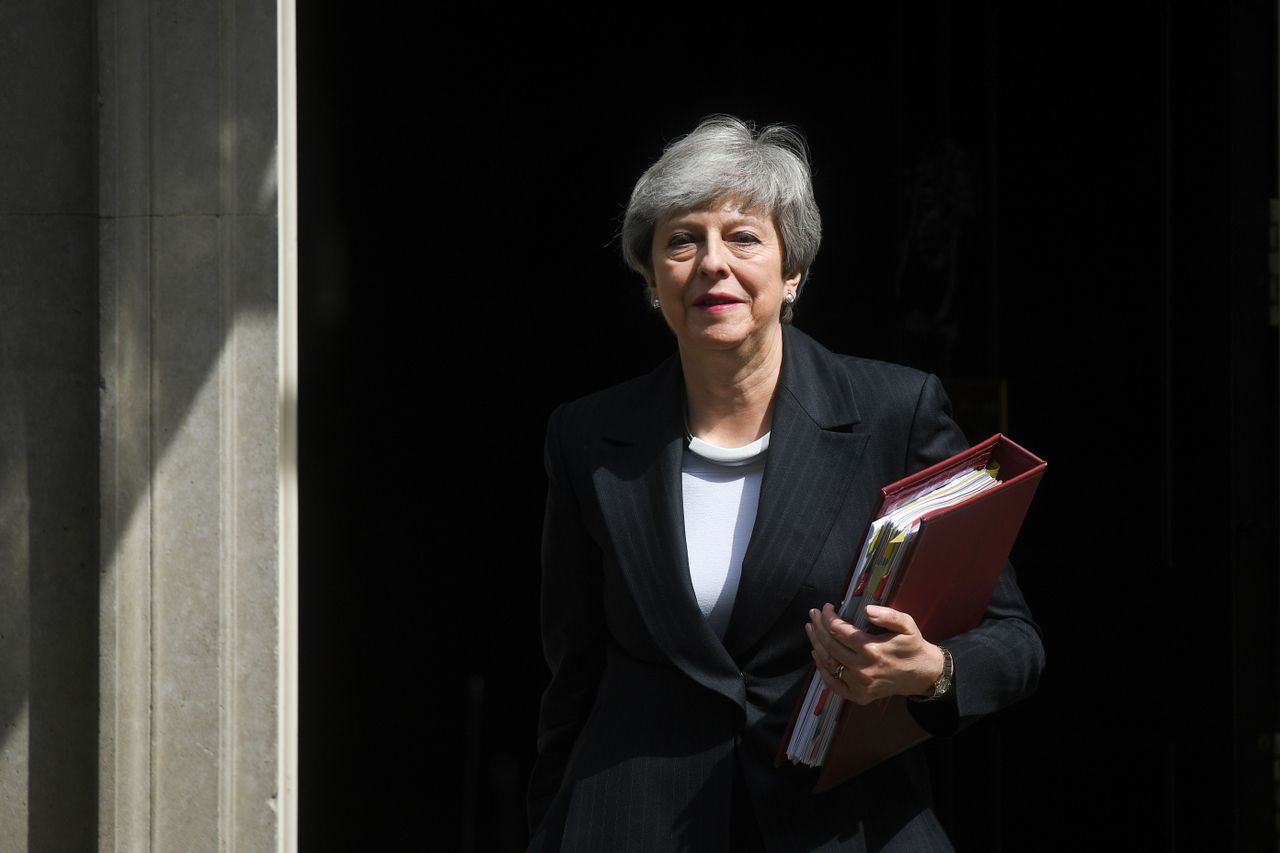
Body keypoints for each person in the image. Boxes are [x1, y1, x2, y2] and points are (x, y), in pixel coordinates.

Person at [527, 115, 1044, 852]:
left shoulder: (895, 413)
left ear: (792, 270)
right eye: (681, 240)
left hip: (841, 824)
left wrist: (930, 671)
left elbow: (1015, 640)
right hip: (631, 821)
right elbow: (570, 681)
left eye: (743, 237)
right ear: (650, 278)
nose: (712, 263)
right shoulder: (587, 438)